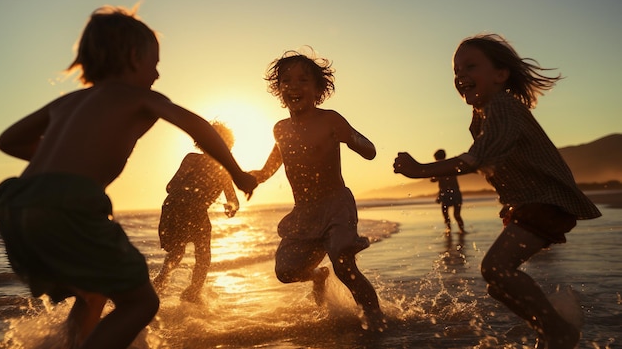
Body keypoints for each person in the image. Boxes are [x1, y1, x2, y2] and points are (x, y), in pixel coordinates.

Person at [0, 5, 257, 349]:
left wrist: (62, 159)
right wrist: (237, 173)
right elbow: (197, 125)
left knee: (93, 292)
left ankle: (71, 343)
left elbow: (8, 140)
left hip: (14, 204)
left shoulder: (69, 101)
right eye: (156, 64)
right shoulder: (140, 97)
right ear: (134, 57)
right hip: (68, 203)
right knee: (142, 302)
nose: (158, 75)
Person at [393, 33, 602, 349]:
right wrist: (510, 203)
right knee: (498, 284)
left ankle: (558, 331)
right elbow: (499, 165)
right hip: (531, 203)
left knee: (495, 268)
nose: (461, 76)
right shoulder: (483, 115)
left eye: (470, 67)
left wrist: (420, 170)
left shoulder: (503, 106)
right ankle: (550, 329)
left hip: (546, 202)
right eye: (456, 71)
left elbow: (480, 158)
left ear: (501, 75)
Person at [250, 49, 385, 331]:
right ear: (279, 90)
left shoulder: (330, 120)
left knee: (343, 263)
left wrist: (352, 139)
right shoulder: (280, 128)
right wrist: (258, 176)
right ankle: (317, 276)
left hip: (335, 204)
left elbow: (370, 150)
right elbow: (277, 157)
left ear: (317, 89)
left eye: (302, 80)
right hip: (304, 211)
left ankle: (374, 317)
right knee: (285, 272)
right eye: (286, 81)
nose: (294, 86)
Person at [153, 121, 239, 303]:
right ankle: (168, 285)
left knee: (196, 255)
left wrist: (229, 207)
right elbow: (170, 186)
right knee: (185, 254)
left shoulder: (223, 171)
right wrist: (195, 194)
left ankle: (188, 291)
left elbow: (233, 201)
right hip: (178, 209)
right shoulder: (195, 160)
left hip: (191, 211)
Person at [431, 149, 465, 233]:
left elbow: (434, 179)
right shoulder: (450, 165)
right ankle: (461, 229)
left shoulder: (439, 167)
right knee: (457, 214)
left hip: (446, 193)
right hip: (455, 192)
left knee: (445, 213)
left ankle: (449, 229)